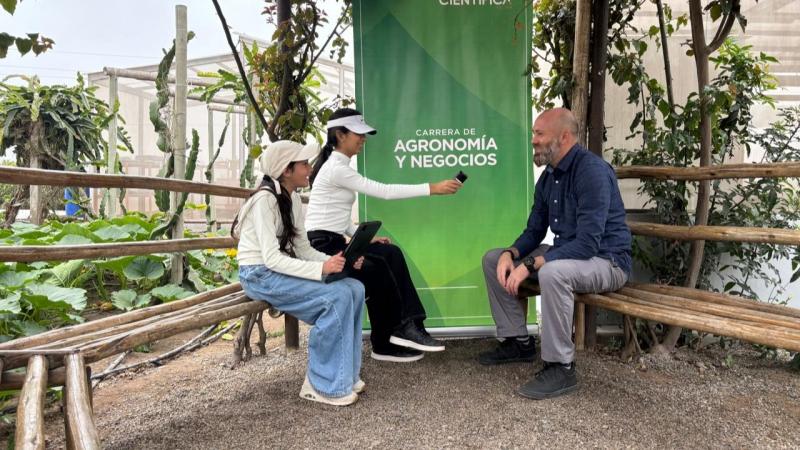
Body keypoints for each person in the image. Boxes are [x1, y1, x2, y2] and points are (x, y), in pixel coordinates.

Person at [478, 108, 631, 400]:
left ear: (564, 137)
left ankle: (561, 367)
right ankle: (517, 342)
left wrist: (532, 263)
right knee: (493, 259)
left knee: (551, 271)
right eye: (533, 133)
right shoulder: (549, 177)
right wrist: (511, 253)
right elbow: (535, 230)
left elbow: (588, 243)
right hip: (569, 255)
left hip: (606, 260)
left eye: (539, 133)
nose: (533, 139)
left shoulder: (592, 172)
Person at [305, 107, 462, 363]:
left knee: (390, 253)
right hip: (323, 244)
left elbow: (335, 216)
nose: (363, 139)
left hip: (334, 238)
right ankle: (399, 331)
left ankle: (397, 334)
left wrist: (361, 237)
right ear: (341, 135)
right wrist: (432, 188)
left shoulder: (338, 167)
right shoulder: (336, 168)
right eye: (358, 134)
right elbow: (384, 191)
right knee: (378, 268)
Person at [236, 140, 366, 407]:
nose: (309, 169)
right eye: (304, 164)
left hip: (274, 269)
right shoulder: (264, 201)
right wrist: (320, 269)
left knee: (355, 288)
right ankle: (321, 385)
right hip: (257, 274)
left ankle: (345, 376)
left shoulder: (292, 198)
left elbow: (303, 248)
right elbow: (271, 259)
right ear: (286, 170)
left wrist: (338, 261)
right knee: (335, 297)